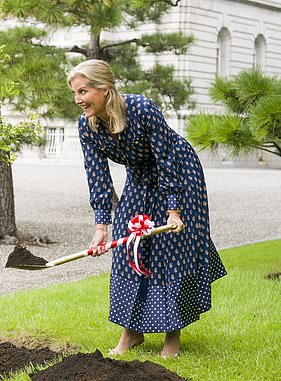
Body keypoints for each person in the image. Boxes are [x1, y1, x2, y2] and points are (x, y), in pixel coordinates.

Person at [67, 59, 226, 358]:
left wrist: (173, 208)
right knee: (131, 245)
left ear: (104, 89)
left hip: (178, 171)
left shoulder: (141, 108)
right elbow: (97, 176)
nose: (78, 100)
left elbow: (166, 159)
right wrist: (101, 226)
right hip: (139, 175)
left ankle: (172, 335)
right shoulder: (86, 126)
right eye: (75, 93)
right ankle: (131, 333)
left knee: (171, 247)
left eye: (83, 91)